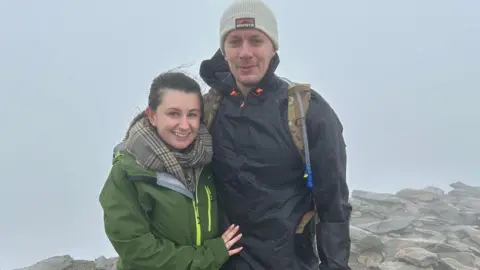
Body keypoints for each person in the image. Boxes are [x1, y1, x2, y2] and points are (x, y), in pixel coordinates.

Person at [198, 0, 353, 269]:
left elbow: (334, 207)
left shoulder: (308, 112)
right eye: (235, 42)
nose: (245, 52)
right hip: (222, 262)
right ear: (224, 51)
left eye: (256, 40)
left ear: (273, 48)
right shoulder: (206, 109)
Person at [99, 71, 243, 270]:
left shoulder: (208, 161)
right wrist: (210, 256)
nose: (184, 125)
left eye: (192, 114)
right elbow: (138, 251)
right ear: (152, 116)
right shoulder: (128, 172)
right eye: (173, 113)